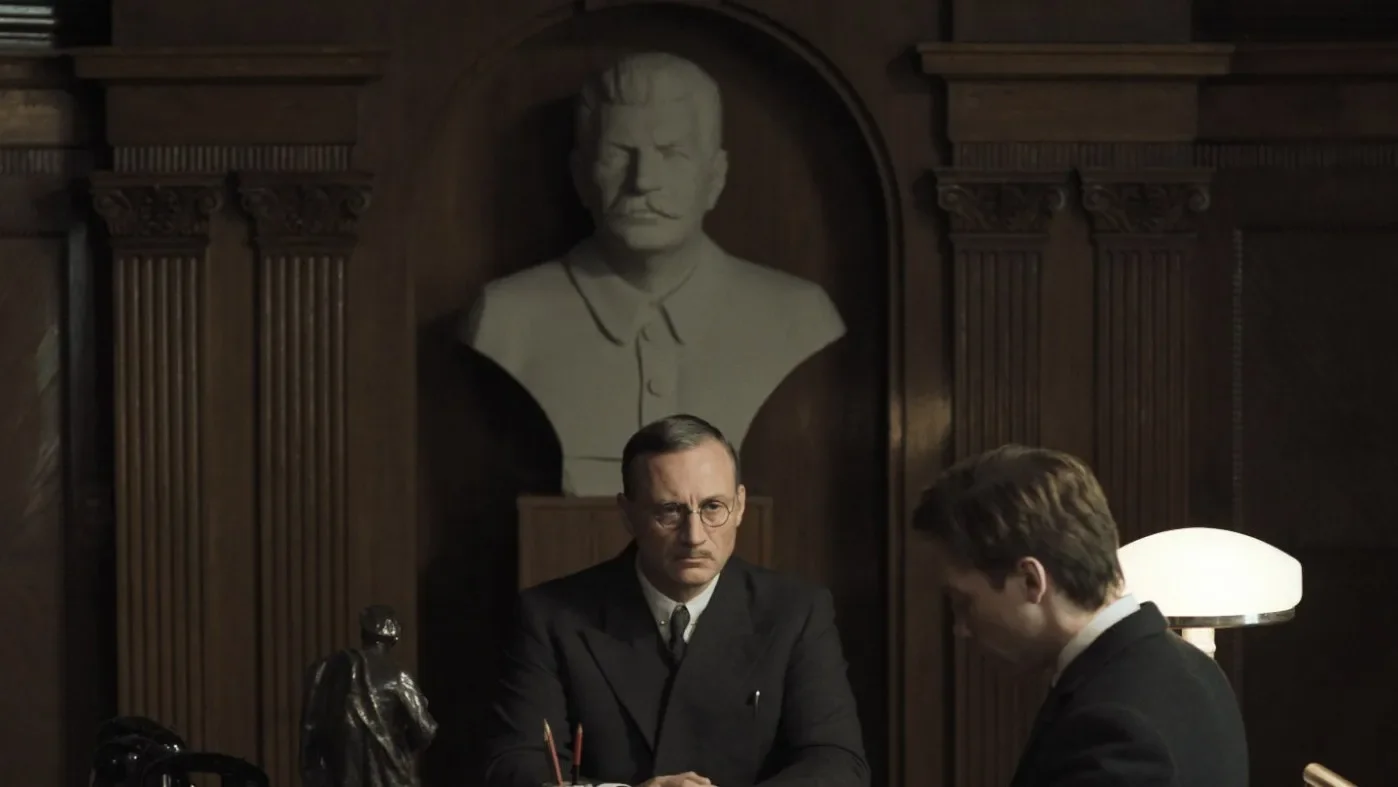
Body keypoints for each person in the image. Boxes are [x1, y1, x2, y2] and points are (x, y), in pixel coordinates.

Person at [461, 52, 845, 496]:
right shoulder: (504, 319)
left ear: (715, 177)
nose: (643, 180)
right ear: (581, 175)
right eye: (619, 154)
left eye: (671, 153)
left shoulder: (799, 316)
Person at [483, 414, 868, 787]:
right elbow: (515, 766)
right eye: (669, 511)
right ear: (628, 514)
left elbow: (837, 762)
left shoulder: (796, 611)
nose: (694, 536)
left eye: (713, 507)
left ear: (739, 506)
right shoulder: (550, 616)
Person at [912, 445, 1248, 787]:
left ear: (1031, 581)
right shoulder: (1195, 666)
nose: (960, 628)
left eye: (963, 601)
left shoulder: (1116, 724)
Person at [301, 605, 439, 787]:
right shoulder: (398, 676)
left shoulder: (332, 670)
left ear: (363, 634)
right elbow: (425, 730)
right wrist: (399, 745)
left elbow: (313, 732)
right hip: (388, 777)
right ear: (394, 638)